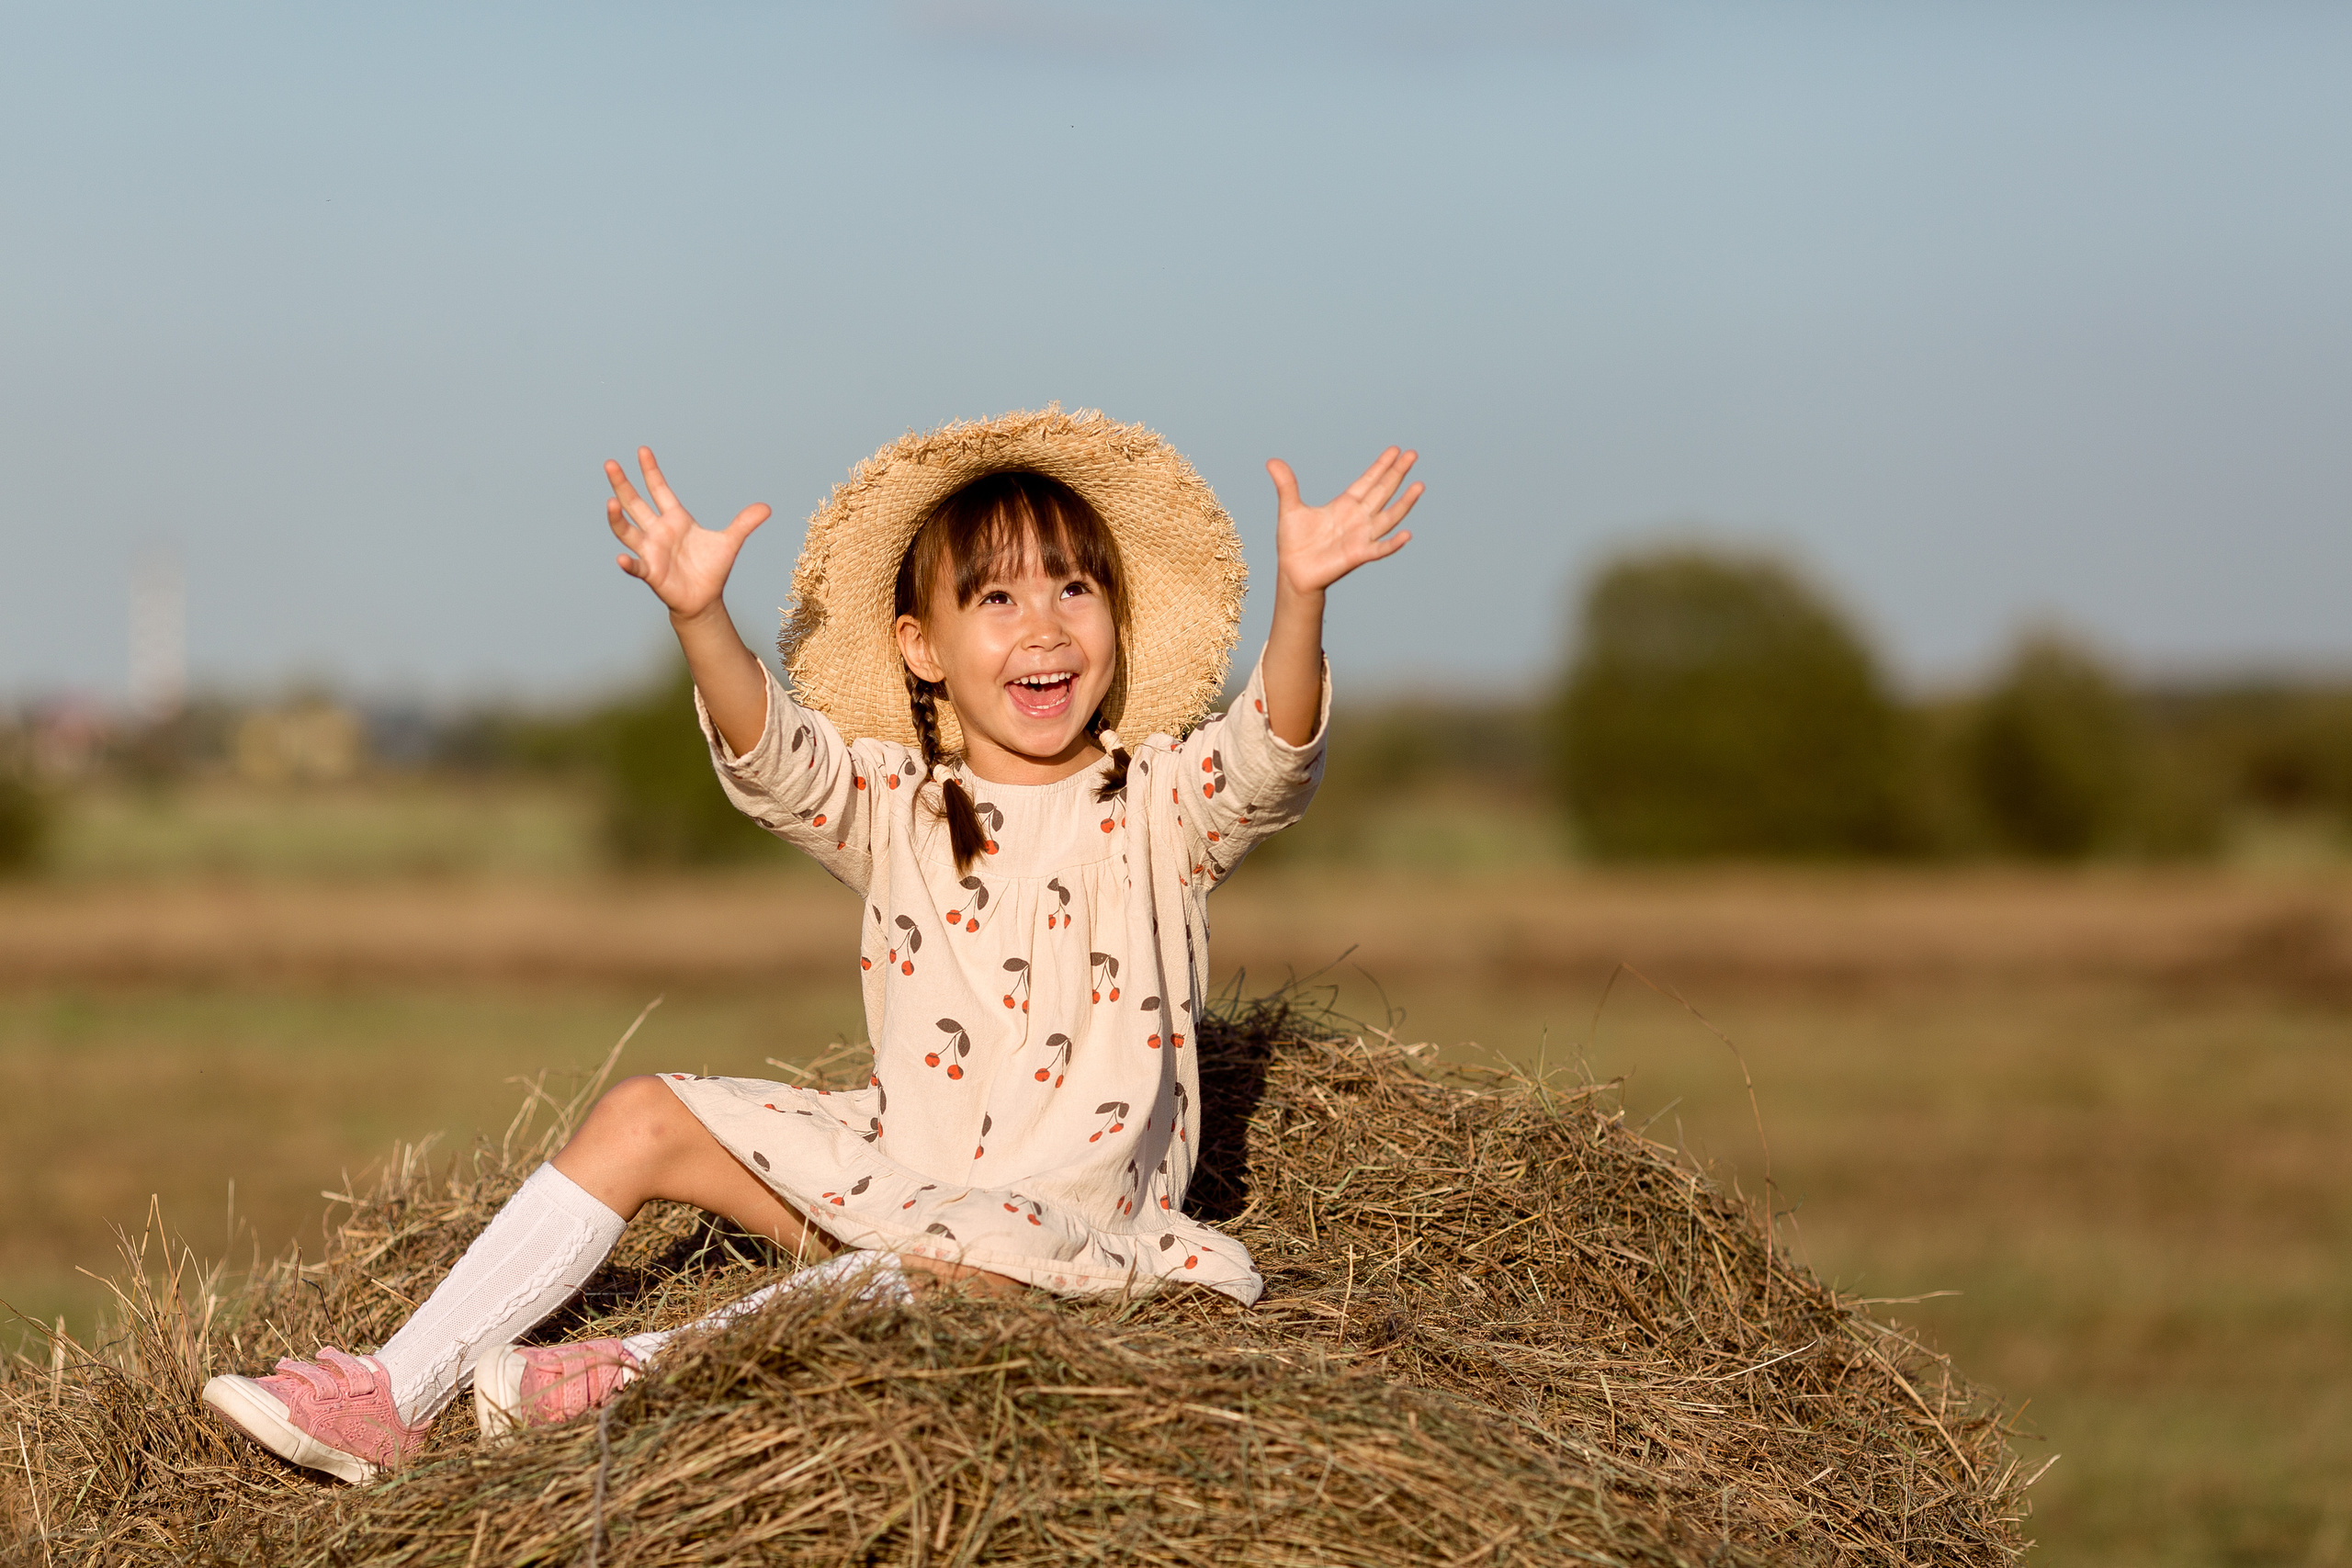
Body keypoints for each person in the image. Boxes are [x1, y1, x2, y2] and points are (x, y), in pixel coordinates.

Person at [202, 408, 1421, 1483]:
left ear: (1113, 619)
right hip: (899, 1175)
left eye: (1072, 589)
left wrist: (1303, 596)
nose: (1042, 627)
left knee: (981, 1262)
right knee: (641, 1112)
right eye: (994, 597)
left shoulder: (1159, 806)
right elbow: (772, 754)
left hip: (1065, 1235)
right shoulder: (896, 807)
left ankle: (641, 1369)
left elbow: (1273, 749)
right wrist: (699, 618)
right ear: (920, 647)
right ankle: (393, 1393)